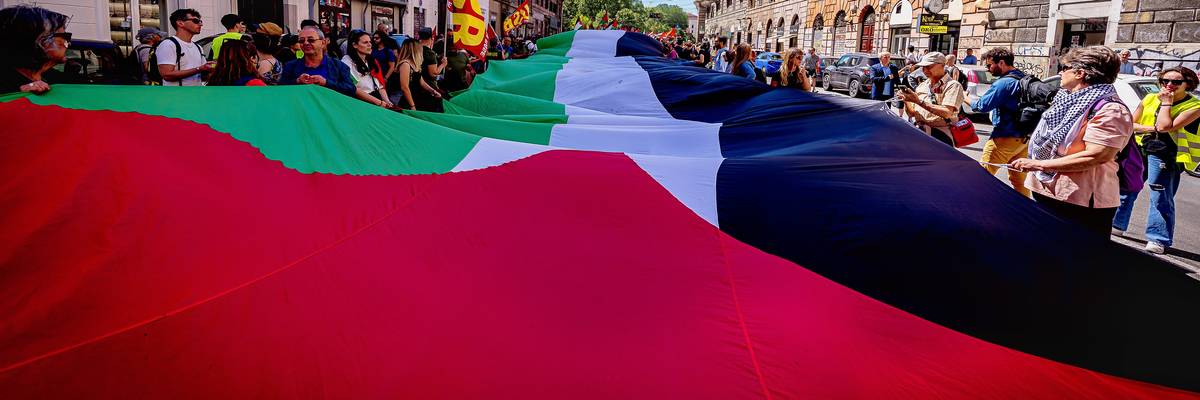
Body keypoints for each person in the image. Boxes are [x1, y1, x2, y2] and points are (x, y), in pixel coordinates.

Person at [1009, 46, 1132, 238]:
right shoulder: (1065, 99)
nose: (1060, 72)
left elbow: (1097, 155)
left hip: (1080, 201)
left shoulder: (1110, 110)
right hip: (1047, 189)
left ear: (1080, 73)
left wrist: (1039, 164)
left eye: (1065, 68)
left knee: (1077, 260)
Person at [1112, 66, 1200, 253]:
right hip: (1140, 148)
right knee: (1128, 187)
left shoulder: (1194, 106)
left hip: (1166, 153)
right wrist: (1150, 128)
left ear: (1188, 84)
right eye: (1165, 81)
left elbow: (1164, 126)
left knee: (1160, 195)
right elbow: (1132, 124)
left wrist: (1167, 104)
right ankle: (1118, 225)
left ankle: (1158, 238)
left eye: (1176, 82)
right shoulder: (1150, 98)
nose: (1169, 85)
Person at [972, 47, 1030, 197]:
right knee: (1019, 180)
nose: (988, 69)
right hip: (1023, 138)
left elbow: (982, 106)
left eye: (989, 65)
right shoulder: (1024, 78)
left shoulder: (1004, 83)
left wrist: (966, 98)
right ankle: (1023, 212)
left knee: (981, 176)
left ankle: (978, 207)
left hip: (1004, 136)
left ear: (1002, 62)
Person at [0, 5, 70, 94]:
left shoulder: (54, 77)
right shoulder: (5, 84)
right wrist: (17, 95)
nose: (68, 43)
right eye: (65, 37)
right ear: (39, 41)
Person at [899, 52, 964, 146]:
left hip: (940, 136)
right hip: (920, 132)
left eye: (929, 66)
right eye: (923, 67)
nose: (925, 70)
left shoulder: (953, 85)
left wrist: (918, 101)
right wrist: (907, 100)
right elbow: (912, 113)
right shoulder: (922, 85)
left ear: (942, 65)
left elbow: (947, 112)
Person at [280, 27, 356, 97]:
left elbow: (351, 89)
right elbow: (281, 89)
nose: (306, 43)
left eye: (311, 40)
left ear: (323, 43)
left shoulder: (339, 66)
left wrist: (326, 83)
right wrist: (297, 81)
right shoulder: (290, 66)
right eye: (301, 41)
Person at [156, 9, 212, 86]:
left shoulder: (198, 47)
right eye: (195, 21)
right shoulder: (168, 44)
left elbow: (202, 75)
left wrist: (211, 69)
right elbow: (167, 75)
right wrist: (199, 69)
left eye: (200, 21)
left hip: (196, 95)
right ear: (180, 23)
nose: (200, 24)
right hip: (176, 96)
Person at [341, 30, 392, 107]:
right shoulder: (347, 62)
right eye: (365, 42)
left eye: (370, 42)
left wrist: (387, 102)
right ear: (354, 45)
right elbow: (354, 89)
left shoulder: (373, 61)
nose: (370, 45)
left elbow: (380, 87)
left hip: (376, 99)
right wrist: (379, 103)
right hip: (361, 103)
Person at [395, 38, 441, 110]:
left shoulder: (415, 63)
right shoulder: (405, 64)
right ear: (414, 49)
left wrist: (433, 91)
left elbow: (422, 82)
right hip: (409, 100)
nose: (421, 49)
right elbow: (404, 87)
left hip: (418, 98)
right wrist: (412, 106)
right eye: (419, 47)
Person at [417, 27, 446, 112]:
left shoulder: (415, 49)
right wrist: (443, 65)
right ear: (431, 38)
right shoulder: (429, 53)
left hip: (416, 84)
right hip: (428, 85)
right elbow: (433, 73)